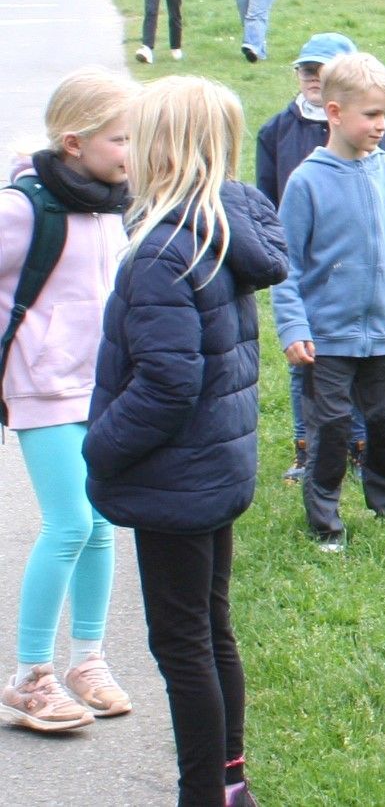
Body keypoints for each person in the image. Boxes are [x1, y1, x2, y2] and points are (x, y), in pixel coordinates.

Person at [84, 75, 288, 807]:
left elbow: (167, 383)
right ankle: (229, 783)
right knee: (210, 627)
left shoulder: (164, 252)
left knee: (183, 642)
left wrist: (100, 445)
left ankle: (204, 791)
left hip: (177, 476)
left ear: (159, 149)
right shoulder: (217, 233)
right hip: (213, 467)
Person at [1, 71, 139, 734]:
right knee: (68, 524)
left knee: (102, 523)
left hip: (98, 386)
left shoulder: (112, 203)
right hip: (40, 387)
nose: (132, 150)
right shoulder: (25, 207)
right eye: (121, 138)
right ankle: (30, 674)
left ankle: (87, 659)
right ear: (74, 141)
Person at [268, 52, 385, 552]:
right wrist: (293, 328)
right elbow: (286, 267)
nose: (380, 126)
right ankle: (325, 522)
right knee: (331, 429)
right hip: (327, 339)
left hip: (381, 333)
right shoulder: (306, 182)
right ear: (335, 113)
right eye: (370, 115)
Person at [254, 33, 385, 484]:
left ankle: (358, 448)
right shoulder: (277, 130)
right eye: (306, 71)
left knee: (362, 373)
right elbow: (265, 198)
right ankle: (309, 450)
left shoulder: (376, 136)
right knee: (308, 372)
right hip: (305, 268)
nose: (313, 79)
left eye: (322, 71)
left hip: (356, 273)